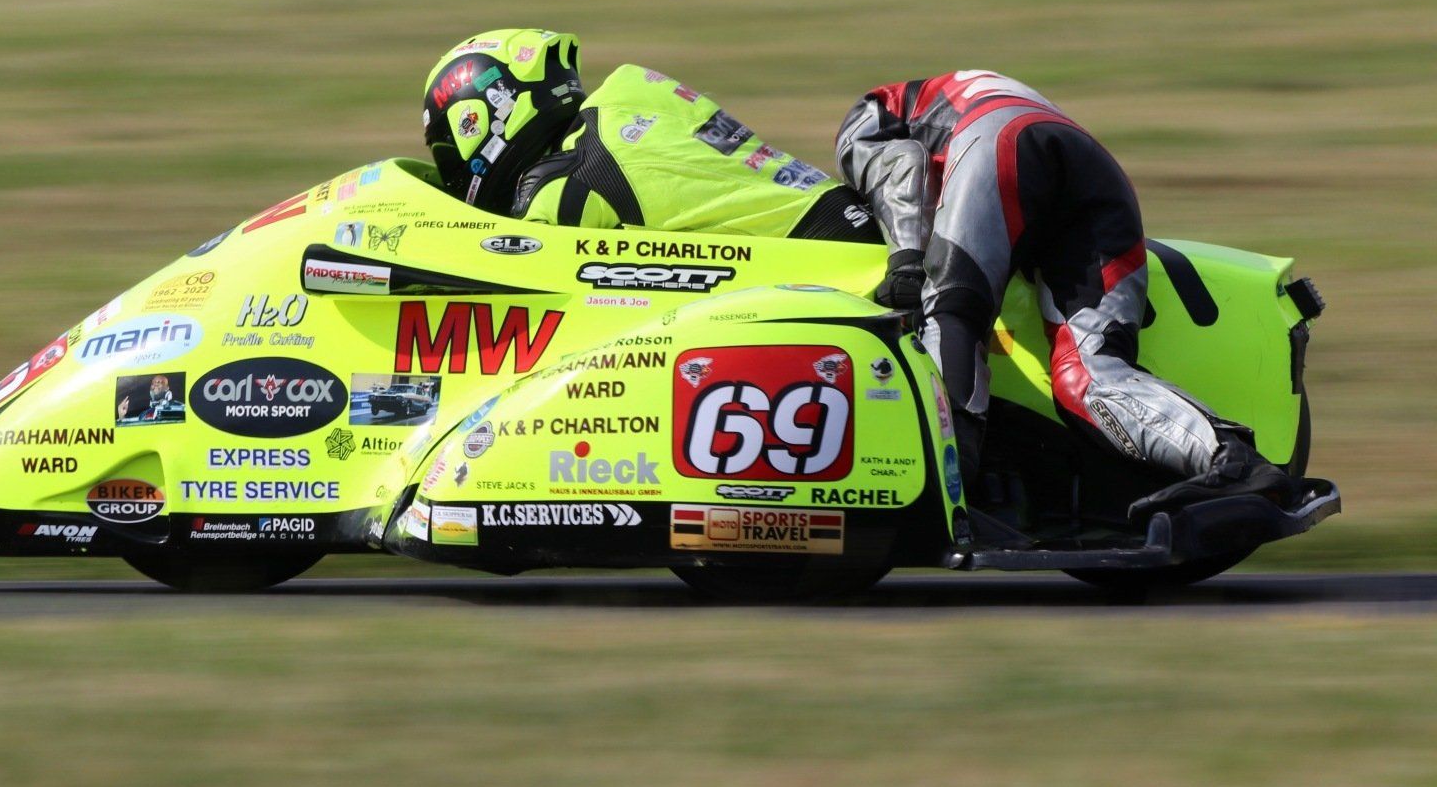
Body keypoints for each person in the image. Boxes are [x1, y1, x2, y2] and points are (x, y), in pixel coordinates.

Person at [833, 69, 1299, 517]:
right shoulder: (955, 89)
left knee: (952, 309)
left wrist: (907, 260)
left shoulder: (870, 112)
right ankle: (1234, 462)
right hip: (1092, 166)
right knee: (1091, 373)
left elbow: (901, 167)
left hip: (998, 138)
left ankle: (953, 482)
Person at [421, 28, 878, 241]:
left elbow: (509, 270)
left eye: (449, 151)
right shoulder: (631, 93)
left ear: (484, 117)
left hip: (828, 268)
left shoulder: (562, 186)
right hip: (851, 220)